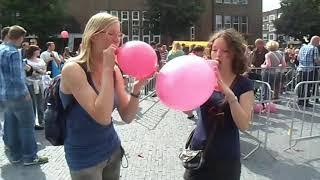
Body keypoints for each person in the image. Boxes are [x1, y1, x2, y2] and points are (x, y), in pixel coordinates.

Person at [60, 12, 149, 180]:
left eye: (120, 34)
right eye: (111, 34)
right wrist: (108, 68)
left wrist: (137, 89)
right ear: (93, 36)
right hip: (84, 158)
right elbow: (102, 117)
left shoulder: (114, 70)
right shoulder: (73, 69)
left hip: (112, 149)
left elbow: (128, 116)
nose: (117, 40)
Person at [184, 29, 254, 180]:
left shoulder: (244, 84)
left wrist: (229, 94)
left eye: (225, 51)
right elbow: (187, 109)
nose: (218, 55)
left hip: (226, 157)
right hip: (199, 152)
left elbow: (244, 124)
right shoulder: (203, 78)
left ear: (235, 54)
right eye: (214, 50)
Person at [0, 25, 48, 165]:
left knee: (11, 125)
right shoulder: (13, 52)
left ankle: (15, 156)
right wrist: (25, 92)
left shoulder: (1, 49)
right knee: (27, 125)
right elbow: (16, 76)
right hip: (18, 95)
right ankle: (30, 156)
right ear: (20, 38)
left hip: (5, 95)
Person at [24, 45, 47, 130]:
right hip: (30, 83)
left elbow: (44, 71)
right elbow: (28, 72)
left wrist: (38, 71)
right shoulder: (26, 61)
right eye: (37, 50)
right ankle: (32, 122)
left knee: (40, 102)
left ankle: (42, 121)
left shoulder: (41, 60)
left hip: (40, 83)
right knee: (32, 103)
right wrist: (38, 71)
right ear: (33, 51)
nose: (39, 51)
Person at [296, 36, 320, 107]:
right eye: (318, 42)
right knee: (308, 85)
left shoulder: (303, 47)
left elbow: (298, 58)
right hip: (309, 70)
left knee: (301, 85)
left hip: (301, 69)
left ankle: (300, 100)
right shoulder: (314, 48)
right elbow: (316, 60)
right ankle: (305, 101)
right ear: (316, 41)